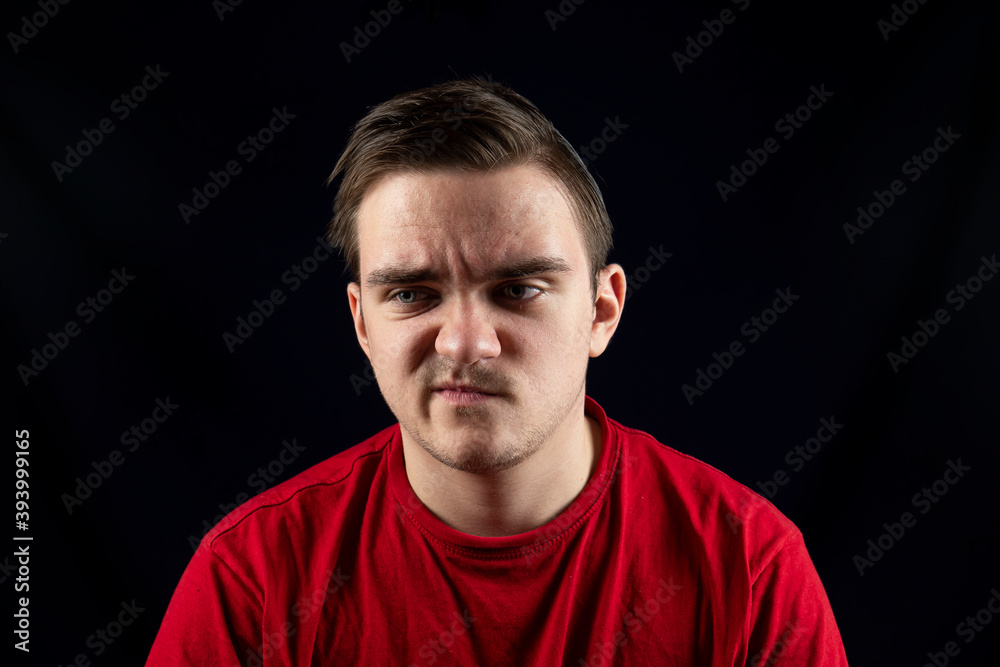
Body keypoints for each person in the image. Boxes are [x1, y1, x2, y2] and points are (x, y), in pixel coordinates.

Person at [145, 77, 849, 666]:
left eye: (518, 289)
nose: (466, 341)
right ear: (363, 322)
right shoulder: (253, 578)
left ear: (602, 311)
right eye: (413, 294)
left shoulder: (751, 568)